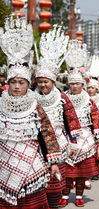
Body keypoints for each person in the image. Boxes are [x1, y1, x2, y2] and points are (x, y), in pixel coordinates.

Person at [0, 16, 62, 208]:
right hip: (5, 160)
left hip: (31, 161)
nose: (17, 87)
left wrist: (53, 162)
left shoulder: (35, 107)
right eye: (13, 82)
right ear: (8, 83)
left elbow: (47, 135)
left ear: (28, 84)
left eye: (21, 83)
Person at [59, 40, 99, 207]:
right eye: (71, 83)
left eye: (77, 83)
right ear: (68, 84)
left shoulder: (89, 100)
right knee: (66, 171)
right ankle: (64, 195)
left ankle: (79, 196)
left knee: (80, 172)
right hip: (66, 137)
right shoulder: (62, 98)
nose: (74, 86)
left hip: (85, 137)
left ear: (82, 84)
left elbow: (96, 118)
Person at [35, 25, 71, 209]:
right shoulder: (31, 98)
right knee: (39, 185)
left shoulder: (62, 97)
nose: (43, 85)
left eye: (46, 81)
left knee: (55, 183)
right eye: (40, 81)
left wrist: (74, 137)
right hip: (37, 145)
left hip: (58, 141)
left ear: (52, 81)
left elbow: (70, 119)